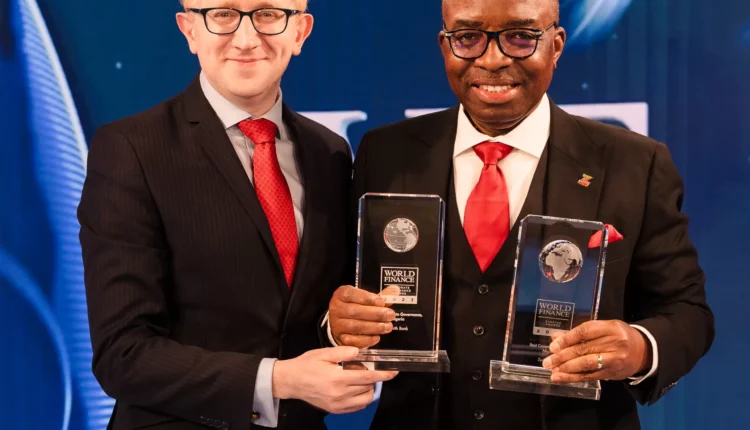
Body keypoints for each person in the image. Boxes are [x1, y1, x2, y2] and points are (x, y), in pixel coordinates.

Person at [327, 0, 714, 428]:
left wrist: (638, 348)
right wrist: (337, 322)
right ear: (444, 45)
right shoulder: (385, 153)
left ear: (556, 45)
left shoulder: (634, 163)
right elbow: (337, 291)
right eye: (468, 38)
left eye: (520, 37)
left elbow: (687, 312)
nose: (492, 60)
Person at [78, 1, 395, 429]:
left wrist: (340, 333)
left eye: (268, 14)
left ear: (300, 32)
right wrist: (278, 380)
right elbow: (123, 354)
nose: (246, 40)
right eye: (223, 14)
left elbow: (311, 315)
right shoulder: (131, 149)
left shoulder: (329, 152)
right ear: (189, 29)